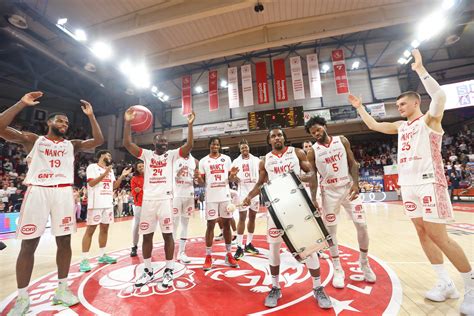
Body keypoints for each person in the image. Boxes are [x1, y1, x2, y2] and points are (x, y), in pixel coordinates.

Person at [348, 49, 473, 314]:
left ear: (415, 103)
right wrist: (360, 108)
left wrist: (420, 69)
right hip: (409, 186)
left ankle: (470, 287)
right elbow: (374, 126)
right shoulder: (401, 127)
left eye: (402, 105)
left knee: (440, 236)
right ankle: (444, 282)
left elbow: (439, 96)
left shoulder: (430, 119)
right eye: (397, 106)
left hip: (430, 184)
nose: (399, 108)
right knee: (422, 233)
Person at [0, 92, 103, 315]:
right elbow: (1, 128)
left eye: (66, 121)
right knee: (29, 245)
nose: (64, 124)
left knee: (64, 242)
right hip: (37, 191)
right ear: (49, 123)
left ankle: (62, 289)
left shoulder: (72, 145)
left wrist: (91, 116)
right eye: (60, 120)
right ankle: (23, 298)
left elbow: (98, 141)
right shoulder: (32, 140)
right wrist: (21, 103)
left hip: (63, 194)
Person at [242, 126, 332, 310]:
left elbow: (311, 174)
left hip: (298, 205)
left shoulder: (297, 153)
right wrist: (249, 197)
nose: (276, 138)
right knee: (274, 248)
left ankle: (317, 287)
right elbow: (260, 183)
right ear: (269, 141)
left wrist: (302, 181)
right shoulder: (265, 160)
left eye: (279, 135)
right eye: (273, 136)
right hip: (276, 208)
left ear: (284, 138)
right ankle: (275, 287)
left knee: (309, 247)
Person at [123, 107, 195, 288]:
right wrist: (127, 123)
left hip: (166, 200)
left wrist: (190, 125)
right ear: (154, 143)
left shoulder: (172, 156)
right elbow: (127, 145)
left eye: (165, 141)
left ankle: (169, 269)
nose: (163, 143)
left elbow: (189, 147)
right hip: (148, 201)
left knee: (168, 236)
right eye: (160, 141)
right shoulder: (146, 156)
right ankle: (147, 270)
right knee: (146, 237)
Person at [305, 116, 376, 289]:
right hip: (328, 192)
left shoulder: (341, 140)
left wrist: (357, 184)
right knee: (331, 232)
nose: (316, 133)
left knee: (362, 225)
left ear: (324, 126)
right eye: (313, 132)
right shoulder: (312, 151)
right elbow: (313, 176)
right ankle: (338, 268)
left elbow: (353, 163)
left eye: (318, 129)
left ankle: (364, 262)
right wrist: (313, 198)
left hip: (348, 187)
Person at [79, 150, 132, 272]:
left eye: (110, 155)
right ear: (100, 156)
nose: (110, 157)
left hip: (107, 204)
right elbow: (91, 183)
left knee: (104, 230)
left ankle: (102, 255)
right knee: (90, 230)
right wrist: (105, 173)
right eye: (108, 155)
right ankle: (84, 259)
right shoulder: (92, 167)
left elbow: (114, 186)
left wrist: (122, 176)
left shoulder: (110, 170)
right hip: (96, 204)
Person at [194, 137, 240, 271]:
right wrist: (197, 178)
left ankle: (229, 253)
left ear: (219, 146)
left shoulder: (226, 159)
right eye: (213, 144)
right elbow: (202, 183)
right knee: (210, 225)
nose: (215, 146)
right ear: (209, 146)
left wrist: (232, 175)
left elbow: (231, 179)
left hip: (224, 196)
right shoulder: (203, 161)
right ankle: (208, 256)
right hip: (211, 197)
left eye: (217, 144)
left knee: (226, 225)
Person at [231, 139, 261, 260]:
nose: (244, 150)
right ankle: (239, 246)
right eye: (242, 148)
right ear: (240, 149)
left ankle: (248, 244)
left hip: (254, 191)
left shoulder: (257, 160)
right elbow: (232, 178)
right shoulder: (236, 161)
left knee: (253, 217)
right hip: (242, 192)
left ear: (249, 147)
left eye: (246, 147)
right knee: (242, 218)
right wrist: (234, 177)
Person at [173, 142, 199, 263]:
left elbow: (197, 180)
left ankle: (181, 252)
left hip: (189, 194)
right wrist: (177, 174)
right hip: (176, 194)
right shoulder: (174, 157)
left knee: (185, 224)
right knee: (174, 224)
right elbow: (169, 177)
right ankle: (171, 251)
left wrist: (197, 179)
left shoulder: (195, 161)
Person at [130, 160, 144, 257]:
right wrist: (136, 191)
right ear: (137, 168)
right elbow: (133, 192)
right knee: (136, 226)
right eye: (139, 166)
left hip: (150, 205)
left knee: (150, 226)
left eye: (143, 165)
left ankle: (147, 246)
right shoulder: (134, 178)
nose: (142, 167)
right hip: (139, 205)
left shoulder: (150, 177)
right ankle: (134, 246)